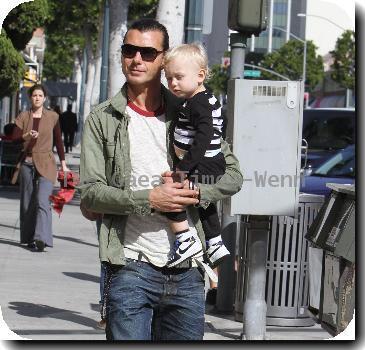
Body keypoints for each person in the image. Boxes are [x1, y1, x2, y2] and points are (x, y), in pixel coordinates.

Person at [79, 19, 243, 341]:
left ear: (163, 58)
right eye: (129, 50)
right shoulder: (102, 119)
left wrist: (190, 191)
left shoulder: (192, 110)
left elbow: (233, 176)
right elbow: (90, 195)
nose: (136, 59)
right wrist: (151, 199)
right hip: (129, 267)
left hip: (187, 274)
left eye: (147, 52)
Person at [163, 43, 230, 268]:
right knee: (203, 204)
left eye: (179, 77)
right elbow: (221, 125)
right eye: (169, 77)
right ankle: (215, 243)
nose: (173, 83)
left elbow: (203, 139)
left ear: (200, 76)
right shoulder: (206, 100)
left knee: (170, 194)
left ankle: (185, 240)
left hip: (201, 165)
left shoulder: (198, 104)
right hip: (209, 163)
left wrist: (183, 170)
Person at [12, 84, 70, 251]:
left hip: (46, 163)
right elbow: (14, 137)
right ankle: (29, 238)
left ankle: (41, 238)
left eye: (40, 95)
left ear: (44, 98)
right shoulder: (23, 116)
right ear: (30, 98)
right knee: (27, 203)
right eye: (34, 95)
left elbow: (59, 141)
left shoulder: (52, 116)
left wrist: (64, 164)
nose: (37, 98)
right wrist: (26, 135)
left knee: (43, 200)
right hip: (27, 163)